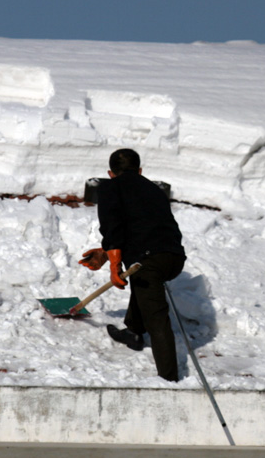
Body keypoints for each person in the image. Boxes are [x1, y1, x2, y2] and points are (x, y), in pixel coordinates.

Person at [79, 148, 186, 381]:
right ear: (140, 171)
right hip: (175, 256)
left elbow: (113, 226)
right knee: (145, 284)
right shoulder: (154, 190)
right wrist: (107, 253)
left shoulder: (110, 187)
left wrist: (115, 264)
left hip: (149, 260)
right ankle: (134, 332)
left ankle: (169, 378)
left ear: (110, 173)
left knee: (157, 316)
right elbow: (141, 226)